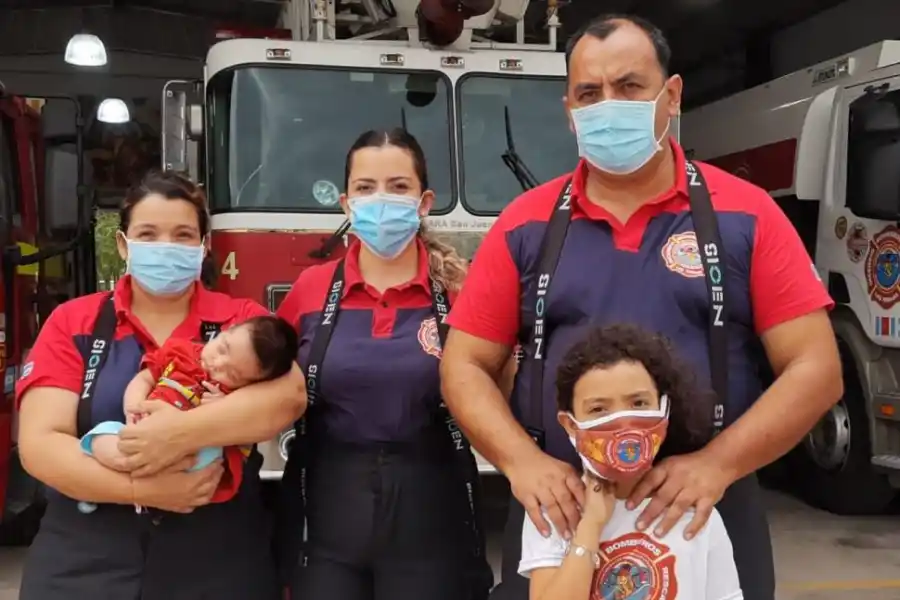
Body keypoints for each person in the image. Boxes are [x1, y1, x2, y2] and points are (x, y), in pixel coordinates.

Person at [440, 14, 842, 600]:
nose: (608, 106)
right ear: (569, 110)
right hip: (565, 509)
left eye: (629, 87)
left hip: (706, 505)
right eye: (589, 94)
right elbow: (464, 364)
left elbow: (816, 368)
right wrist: (522, 463)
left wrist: (719, 464)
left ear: (671, 96)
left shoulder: (747, 214)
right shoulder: (524, 224)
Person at [15, 170, 307, 600]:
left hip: (218, 564)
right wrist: (142, 490)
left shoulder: (241, 322)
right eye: (148, 234)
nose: (166, 246)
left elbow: (288, 399)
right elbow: (40, 444)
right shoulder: (74, 321)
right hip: (85, 564)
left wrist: (175, 434)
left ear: (204, 246)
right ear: (122, 244)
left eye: (183, 234)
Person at [275, 128, 502, 600]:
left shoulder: (462, 294)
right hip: (328, 513)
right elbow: (263, 383)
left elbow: (508, 385)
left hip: (432, 515)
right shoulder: (309, 291)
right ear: (345, 203)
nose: (382, 200)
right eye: (365, 188)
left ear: (424, 202)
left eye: (398, 187)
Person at [519, 324, 742, 600]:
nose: (623, 421)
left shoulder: (691, 509)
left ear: (664, 409)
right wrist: (590, 526)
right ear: (570, 425)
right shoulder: (556, 509)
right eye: (599, 409)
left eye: (638, 403)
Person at [77, 315, 299, 513]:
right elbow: (144, 379)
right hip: (143, 430)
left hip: (193, 454)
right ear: (228, 329)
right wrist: (133, 408)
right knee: (101, 435)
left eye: (232, 373)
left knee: (206, 463)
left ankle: (142, 481)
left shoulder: (237, 393)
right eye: (223, 348)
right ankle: (128, 480)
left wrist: (225, 407)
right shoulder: (178, 351)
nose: (217, 364)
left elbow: (256, 424)